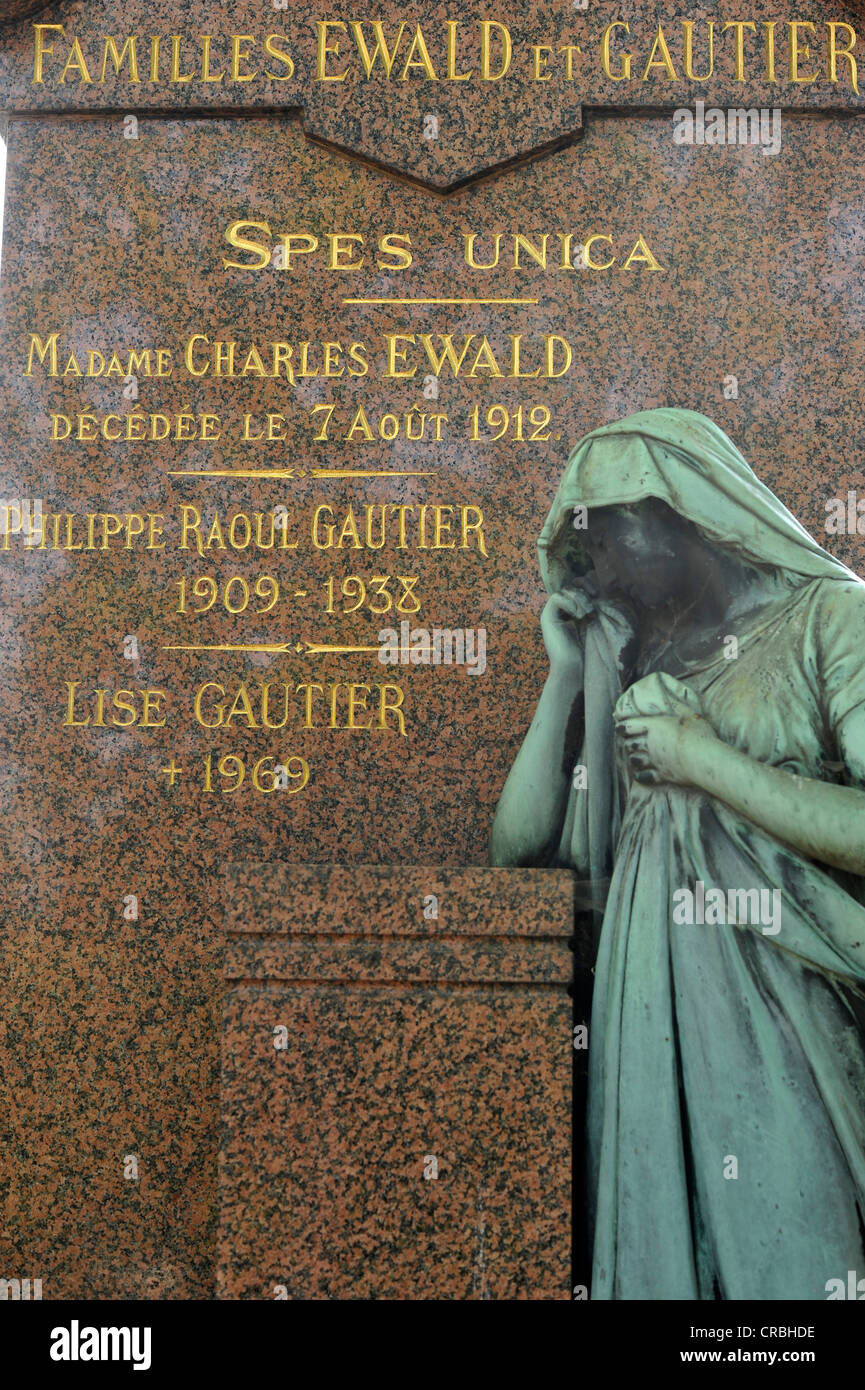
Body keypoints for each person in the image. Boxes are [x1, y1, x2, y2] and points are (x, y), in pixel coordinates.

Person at [491, 407, 865, 1299]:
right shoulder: (634, 656)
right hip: (645, 1010)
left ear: (679, 506)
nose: (601, 570)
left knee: (792, 1259)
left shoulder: (832, 618)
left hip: (786, 999)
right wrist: (566, 678)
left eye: (608, 538)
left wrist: (703, 762)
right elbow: (515, 849)